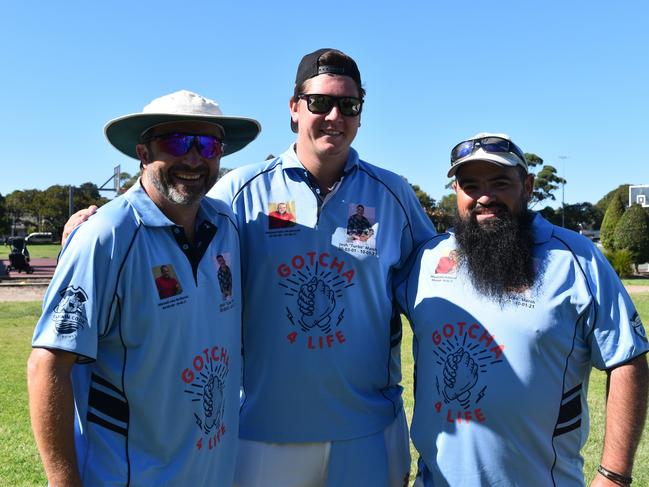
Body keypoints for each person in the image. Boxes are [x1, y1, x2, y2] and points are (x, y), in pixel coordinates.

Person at [209, 48, 436, 487]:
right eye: (320, 103)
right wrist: (99, 222)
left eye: (348, 105)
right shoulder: (240, 191)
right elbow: (180, 242)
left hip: (369, 431)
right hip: (262, 432)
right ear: (294, 109)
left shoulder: (393, 193)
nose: (334, 115)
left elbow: (444, 279)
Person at [27, 90, 260, 485]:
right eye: (176, 142)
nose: (193, 158)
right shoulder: (106, 235)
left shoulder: (228, 225)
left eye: (207, 144)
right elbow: (48, 364)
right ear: (144, 153)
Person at [395, 133, 649, 486]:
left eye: (500, 183)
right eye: (471, 186)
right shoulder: (426, 261)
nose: (485, 197)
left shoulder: (576, 259)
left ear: (527, 186)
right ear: (456, 191)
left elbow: (627, 357)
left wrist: (614, 475)